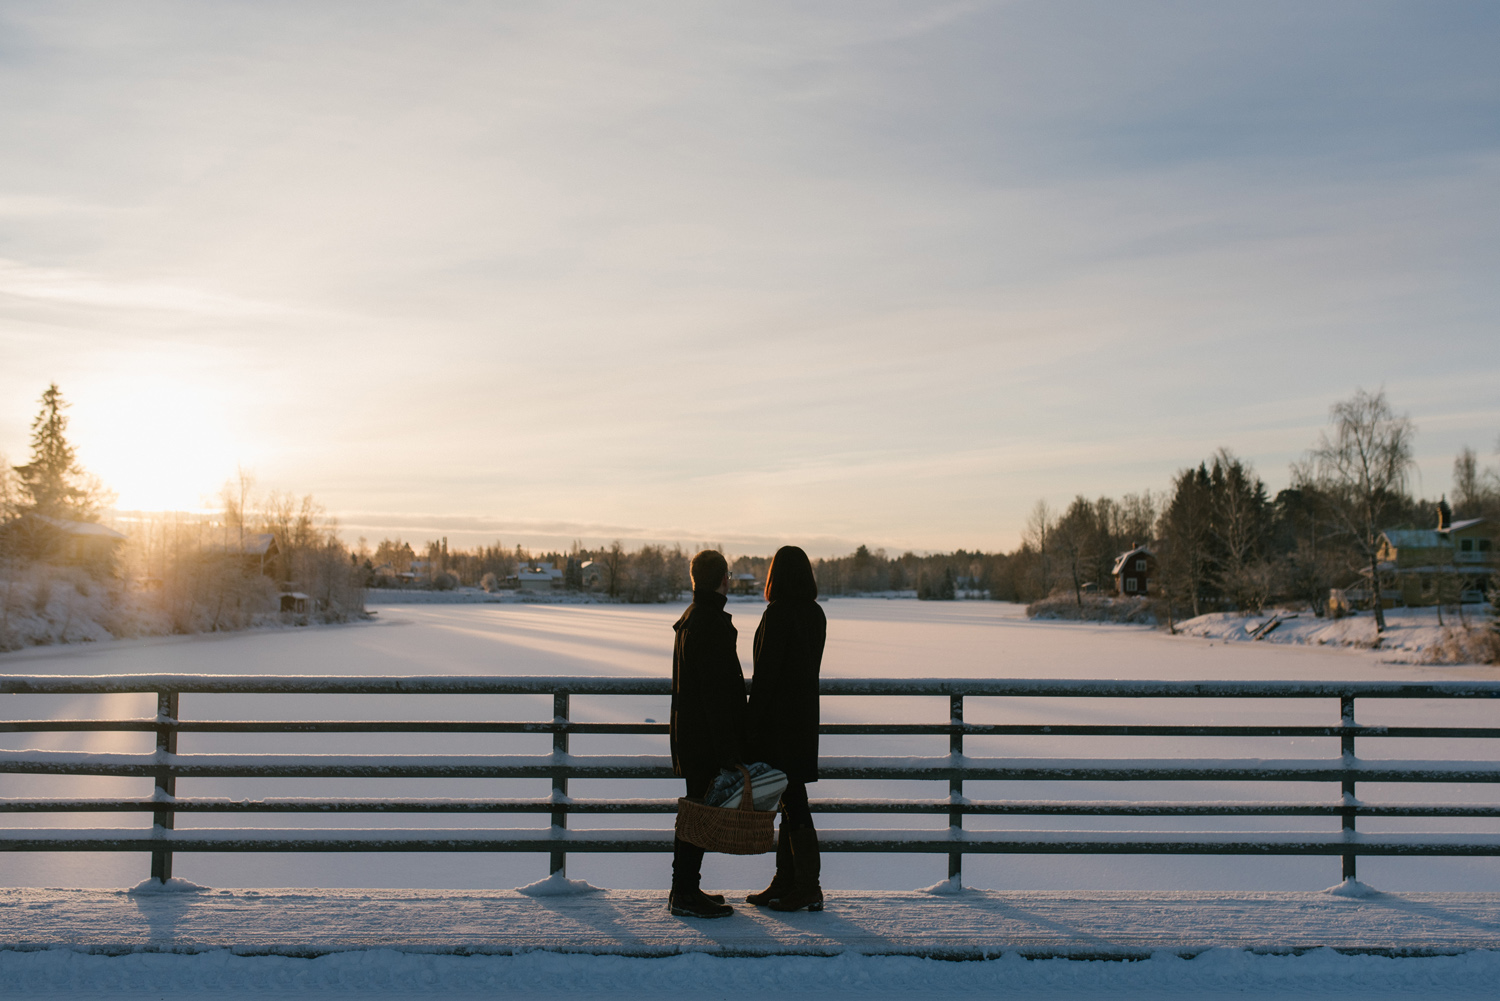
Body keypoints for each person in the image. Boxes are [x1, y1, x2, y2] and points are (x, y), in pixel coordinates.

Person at [745, 545, 827, 912]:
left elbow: (766, 675)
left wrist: (750, 725)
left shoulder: (778, 614)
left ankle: (807, 885)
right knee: (791, 799)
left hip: (778, 723)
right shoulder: (815, 613)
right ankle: (788, 881)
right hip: (803, 720)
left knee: (792, 800)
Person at [667, 549, 746, 918]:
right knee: (697, 813)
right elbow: (716, 693)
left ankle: (685, 888)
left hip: (691, 733)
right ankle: (684, 893)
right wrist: (728, 747)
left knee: (695, 811)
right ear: (724, 579)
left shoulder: (692, 617)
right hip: (705, 738)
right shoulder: (710, 622)